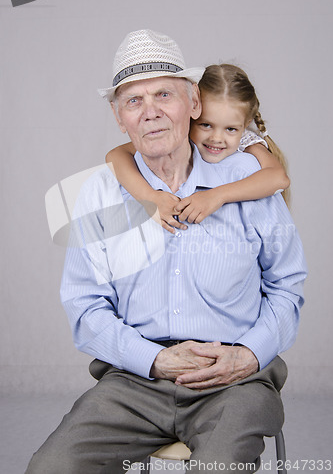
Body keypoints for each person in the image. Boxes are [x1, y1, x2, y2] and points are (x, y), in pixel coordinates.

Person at [26, 29, 307, 474]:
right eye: (133, 101)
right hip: (135, 380)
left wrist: (249, 354)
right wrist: (153, 359)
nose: (151, 112)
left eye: (164, 94)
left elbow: (287, 288)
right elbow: (85, 306)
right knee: (51, 468)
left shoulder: (246, 181)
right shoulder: (99, 194)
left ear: (193, 103)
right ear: (119, 116)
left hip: (234, 378)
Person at [105, 63, 290, 234]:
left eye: (231, 129)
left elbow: (278, 178)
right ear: (192, 111)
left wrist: (217, 196)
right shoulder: (177, 134)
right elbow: (115, 155)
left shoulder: (247, 148)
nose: (217, 138)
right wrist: (150, 198)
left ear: (244, 125)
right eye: (206, 125)